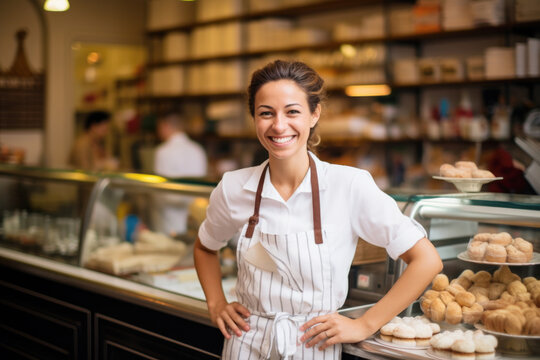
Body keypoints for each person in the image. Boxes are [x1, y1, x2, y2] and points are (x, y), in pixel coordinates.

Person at [194, 60, 443, 359]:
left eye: (292, 111)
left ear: (314, 114)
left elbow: (426, 260)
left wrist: (365, 324)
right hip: (246, 343)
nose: (279, 125)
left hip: (313, 345)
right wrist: (216, 303)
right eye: (266, 113)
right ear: (254, 119)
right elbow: (205, 247)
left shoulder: (349, 185)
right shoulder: (234, 187)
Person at [152, 111, 208, 236]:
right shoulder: (198, 150)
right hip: (196, 217)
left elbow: (160, 191)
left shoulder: (162, 152)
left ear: (165, 126)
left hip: (168, 219)